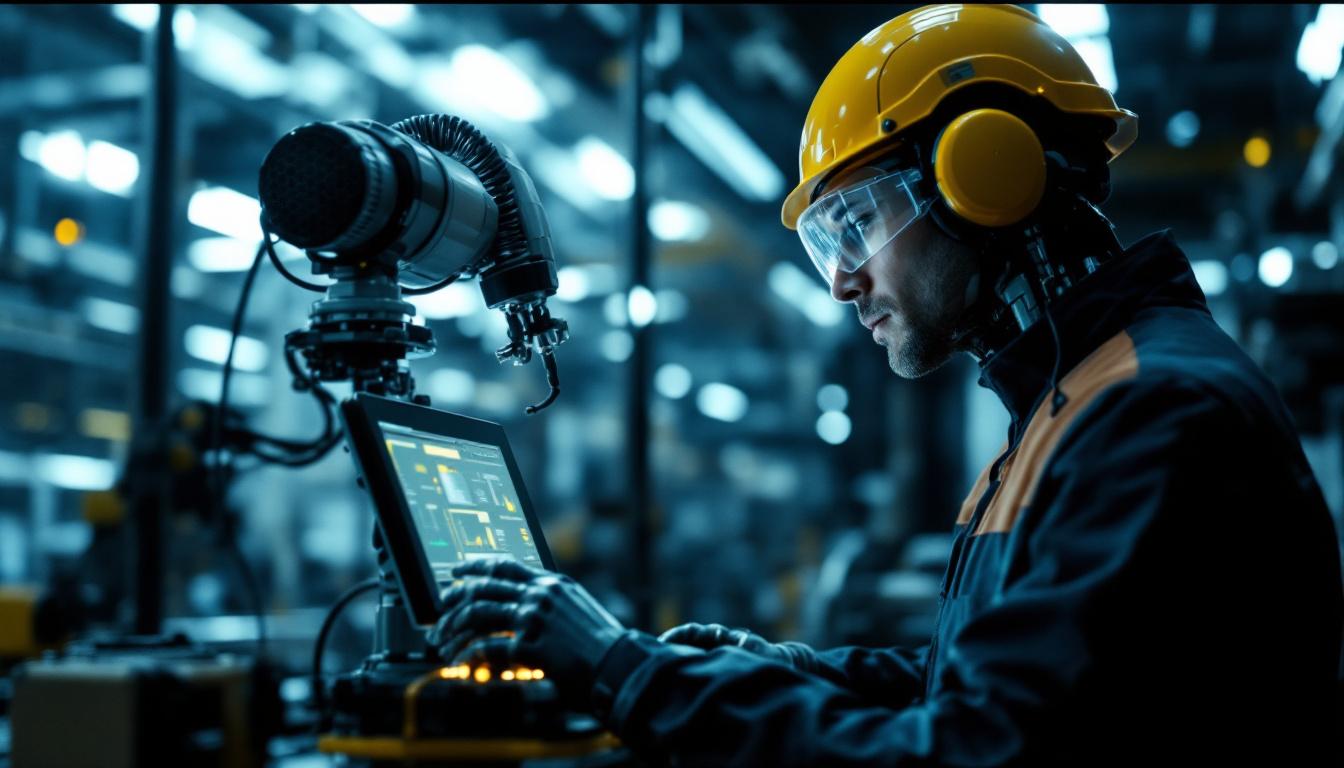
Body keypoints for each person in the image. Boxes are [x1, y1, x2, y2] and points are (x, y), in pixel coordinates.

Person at [429, 5, 1344, 765]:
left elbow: (976, 752)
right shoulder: (1073, 400)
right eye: (826, 242)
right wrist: (786, 667)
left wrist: (628, 672)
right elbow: (999, 678)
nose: (839, 280)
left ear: (982, 178)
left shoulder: (1152, 412)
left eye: (855, 223)